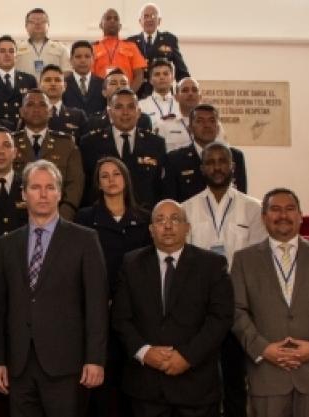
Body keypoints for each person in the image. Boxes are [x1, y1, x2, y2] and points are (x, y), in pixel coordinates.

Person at [0, 159, 108, 416]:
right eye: (35, 187)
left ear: (60, 193)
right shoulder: (6, 244)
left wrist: (95, 358)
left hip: (67, 364)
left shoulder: (85, 239)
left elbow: (96, 305)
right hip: (19, 364)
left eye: (50, 187)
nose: (43, 194)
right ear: (24, 194)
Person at [112, 199, 234, 417]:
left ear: (187, 227)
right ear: (151, 230)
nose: (167, 225)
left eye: (175, 219)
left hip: (197, 389)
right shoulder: (131, 264)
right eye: (160, 220)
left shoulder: (212, 265)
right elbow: (121, 318)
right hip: (146, 389)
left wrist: (187, 357)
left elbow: (221, 318)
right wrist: (145, 352)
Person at [182, 142, 267, 417]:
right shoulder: (187, 209)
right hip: (201, 309)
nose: (217, 167)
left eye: (222, 162)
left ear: (233, 167)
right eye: (211, 162)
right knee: (201, 380)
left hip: (239, 307)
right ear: (201, 168)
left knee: (235, 381)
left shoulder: (254, 209)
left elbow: (257, 263)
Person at [75, 157, 151, 417]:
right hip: (100, 311)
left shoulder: (145, 218)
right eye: (104, 175)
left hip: (137, 313)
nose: (111, 180)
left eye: (116, 174)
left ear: (125, 178)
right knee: (103, 392)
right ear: (97, 183)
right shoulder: (85, 218)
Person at [231, 188, 309, 417]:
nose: (282, 215)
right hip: (266, 375)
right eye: (275, 209)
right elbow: (236, 310)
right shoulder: (244, 259)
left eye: (289, 209)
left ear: (300, 215)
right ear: (264, 217)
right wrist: (263, 348)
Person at [80, 88, 166, 210]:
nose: (125, 112)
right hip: (103, 216)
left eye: (131, 107)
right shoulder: (90, 143)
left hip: (144, 217)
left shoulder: (156, 143)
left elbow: (160, 186)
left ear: (139, 112)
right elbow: (86, 187)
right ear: (110, 113)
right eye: (119, 107)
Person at [12, 89, 84, 220]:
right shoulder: (10, 143)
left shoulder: (66, 144)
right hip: (17, 217)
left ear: (50, 112)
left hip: (58, 217)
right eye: (30, 104)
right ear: (21, 112)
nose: (36, 109)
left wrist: (63, 215)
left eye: (42, 104)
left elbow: (75, 184)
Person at [164, 104, 247, 202]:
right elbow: (170, 201)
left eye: (212, 121)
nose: (207, 125)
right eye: (200, 121)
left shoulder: (235, 156)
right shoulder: (175, 159)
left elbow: (241, 197)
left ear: (218, 127)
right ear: (189, 128)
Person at [127, 3, 190, 99]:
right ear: (140, 21)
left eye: (153, 16)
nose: (149, 19)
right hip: (139, 94)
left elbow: (181, 71)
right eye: (146, 16)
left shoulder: (169, 40)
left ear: (159, 21)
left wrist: (183, 91)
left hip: (163, 94)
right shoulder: (131, 42)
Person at [0, 35, 37, 131]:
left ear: (16, 56)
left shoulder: (29, 80)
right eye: (2, 51)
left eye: (11, 51)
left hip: (22, 131)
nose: (7, 55)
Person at [92, 8, 147, 92]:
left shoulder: (131, 47)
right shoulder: (92, 48)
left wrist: (128, 94)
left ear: (120, 26)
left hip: (125, 97)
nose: (112, 21)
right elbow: (89, 76)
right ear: (101, 25)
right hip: (99, 97)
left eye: (116, 19)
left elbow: (139, 75)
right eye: (108, 18)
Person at [87, 69, 152, 132]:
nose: (119, 86)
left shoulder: (143, 120)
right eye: (113, 83)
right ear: (104, 92)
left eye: (123, 83)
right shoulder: (94, 121)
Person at [15, 8, 70, 81]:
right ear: (26, 26)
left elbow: (67, 71)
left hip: (52, 89)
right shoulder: (16, 48)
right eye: (33, 21)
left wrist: (53, 83)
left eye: (42, 21)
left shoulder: (61, 48)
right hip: (24, 89)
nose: (37, 24)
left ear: (48, 25)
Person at [39, 64, 89, 144]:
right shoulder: (32, 114)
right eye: (48, 80)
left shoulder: (78, 116)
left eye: (57, 80)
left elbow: (85, 145)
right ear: (39, 86)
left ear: (65, 86)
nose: (53, 83)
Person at [156, 77, 201, 152]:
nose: (190, 93)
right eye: (185, 90)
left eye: (194, 90)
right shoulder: (164, 125)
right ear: (176, 97)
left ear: (200, 97)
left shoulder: (212, 124)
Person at [63, 40, 106, 117]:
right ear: (71, 60)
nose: (83, 60)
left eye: (87, 56)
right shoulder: (63, 85)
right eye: (78, 57)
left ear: (93, 59)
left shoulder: (103, 84)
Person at [138, 58, 180, 128]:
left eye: (165, 74)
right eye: (157, 74)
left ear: (172, 78)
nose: (162, 77)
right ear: (150, 80)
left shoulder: (181, 104)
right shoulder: (141, 106)